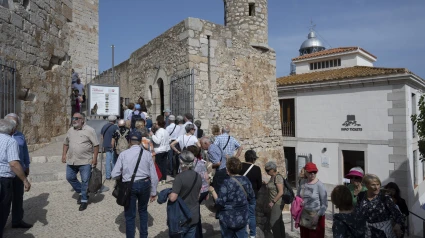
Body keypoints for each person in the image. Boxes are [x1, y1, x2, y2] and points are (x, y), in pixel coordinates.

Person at [111, 131, 158, 238]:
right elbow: (153, 175)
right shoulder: (147, 154)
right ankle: (144, 235)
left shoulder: (123, 154)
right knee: (143, 211)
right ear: (140, 141)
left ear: (129, 141)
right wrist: (154, 191)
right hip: (145, 184)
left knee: (130, 215)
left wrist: (123, 176)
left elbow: (114, 174)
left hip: (129, 185)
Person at [208, 156, 255, 237]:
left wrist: (212, 191)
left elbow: (220, 203)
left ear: (228, 170)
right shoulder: (245, 180)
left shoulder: (226, 183)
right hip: (242, 216)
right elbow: (251, 197)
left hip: (228, 218)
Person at [62, 112, 99, 211]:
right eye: (73, 118)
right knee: (69, 177)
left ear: (82, 120)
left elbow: (96, 145)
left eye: (76, 118)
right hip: (72, 161)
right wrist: (64, 155)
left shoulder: (90, 130)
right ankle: (82, 192)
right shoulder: (70, 130)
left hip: (85, 161)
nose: (74, 120)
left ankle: (84, 200)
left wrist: (95, 158)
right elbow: (65, 143)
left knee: (85, 181)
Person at [0, 119, 31, 236]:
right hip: (4, 179)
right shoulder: (10, 141)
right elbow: (13, 164)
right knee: (3, 208)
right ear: (12, 130)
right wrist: (25, 180)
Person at [168, 151, 202, 237]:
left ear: (181, 162)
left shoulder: (179, 178)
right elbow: (198, 196)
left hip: (182, 216)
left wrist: (168, 194)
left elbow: (173, 198)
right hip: (194, 214)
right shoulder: (198, 176)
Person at [297, 162, 328, 238]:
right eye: (310, 172)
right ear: (306, 172)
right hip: (304, 215)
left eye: (314, 172)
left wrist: (317, 216)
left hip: (316, 216)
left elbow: (324, 204)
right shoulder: (302, 182)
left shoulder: (319, 185)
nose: (313, 174)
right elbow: (298, 196)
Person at [186, 145, 209, 238]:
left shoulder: (185, 164)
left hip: (193, 192)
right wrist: (207, 192)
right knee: (196, 213)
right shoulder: (201, 163)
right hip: (203, 190)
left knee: (192, 215)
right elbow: (206, 178)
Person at [239, 150, 262, 238]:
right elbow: (259, 184)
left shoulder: (240, 166)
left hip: (241, 195)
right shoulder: (257, 169)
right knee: (252, 215)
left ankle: (243, 233)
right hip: (252, 195)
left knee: (242, 214)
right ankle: (252, 235)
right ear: (253, 159)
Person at [265, 161, 286, 238]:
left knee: (274, 223)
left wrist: (273, 202)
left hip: (277, 203)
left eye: (267, 170)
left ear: (272, 169)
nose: (266, 172)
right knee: (279, 222)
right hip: (275, 203)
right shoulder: (272, 177)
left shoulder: (278, 177)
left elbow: (281, 192)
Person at [150, 115, 170, 185]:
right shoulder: (165, 131)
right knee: (164, 165)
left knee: (159, 165)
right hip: (166, 149)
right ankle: (164, 178)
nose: (155, 125)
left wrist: (152, 135)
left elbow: (157, 141)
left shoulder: (159, 132)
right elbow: (169, 139)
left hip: (159, 150)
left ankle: (160, 179)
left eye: (156, 123)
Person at [101, 115, 119, 180]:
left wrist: (102, 145)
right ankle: (114, 175)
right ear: (114, 120)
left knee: (108, 160)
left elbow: (102, 136)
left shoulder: (104, 126)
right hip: (113, 145)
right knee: (114, 160)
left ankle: (108, 176)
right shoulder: (115, 127)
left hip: (106, 145)